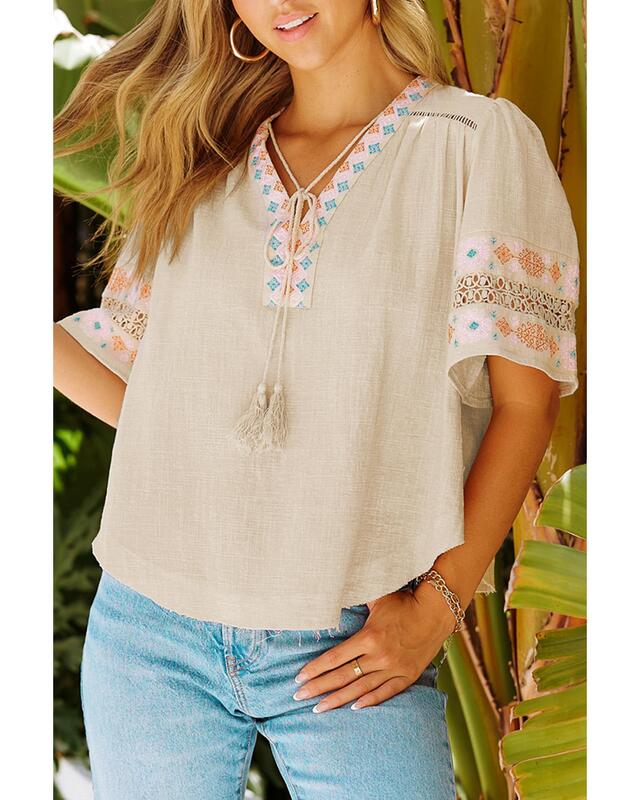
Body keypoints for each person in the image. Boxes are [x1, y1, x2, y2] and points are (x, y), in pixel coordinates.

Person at [53, 1, 580, 798]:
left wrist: (436, 609)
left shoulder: (475, 143)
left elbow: (525, 406)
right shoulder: (209, 159)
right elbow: (159, 398)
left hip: (353, 632)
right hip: (151, 628)